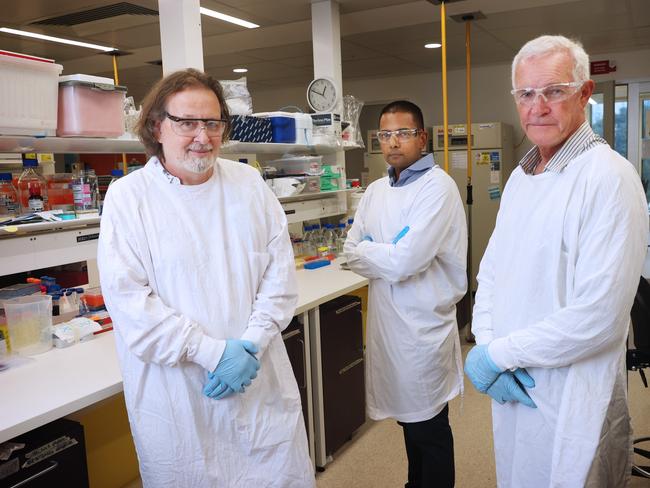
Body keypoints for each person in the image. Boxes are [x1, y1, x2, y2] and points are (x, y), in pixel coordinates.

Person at [97, 68, 314, 487]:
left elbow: (278, 278)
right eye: (187, 123)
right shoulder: (129, 199)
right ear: (157, 126)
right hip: (179, 398)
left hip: (256, 380)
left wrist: (249, 344)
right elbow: (131, 305)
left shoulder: (249, 184)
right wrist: (212, 353)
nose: (203, 135)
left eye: (213, 123)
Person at [464, 35, 648, 487]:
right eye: (525, 93)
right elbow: (491, 271)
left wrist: (497, 354)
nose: (537, 106)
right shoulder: (520, 179)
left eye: (554, 90)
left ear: (584, 94)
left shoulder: (608, 177)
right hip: (513, 384)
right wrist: (485, 345)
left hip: (573, 396)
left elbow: (599, 317)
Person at [344, 100, 467, 488]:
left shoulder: (438, 188)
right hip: (388, 326)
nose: (393, 142)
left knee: (428, 428)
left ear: (422, 138)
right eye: (385, 134)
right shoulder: (377, 190)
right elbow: (350, 250)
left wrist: (373, 251)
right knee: (408, 426)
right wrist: (382, 252)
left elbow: (404, 262)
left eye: (403, 133)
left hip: (422, 328)